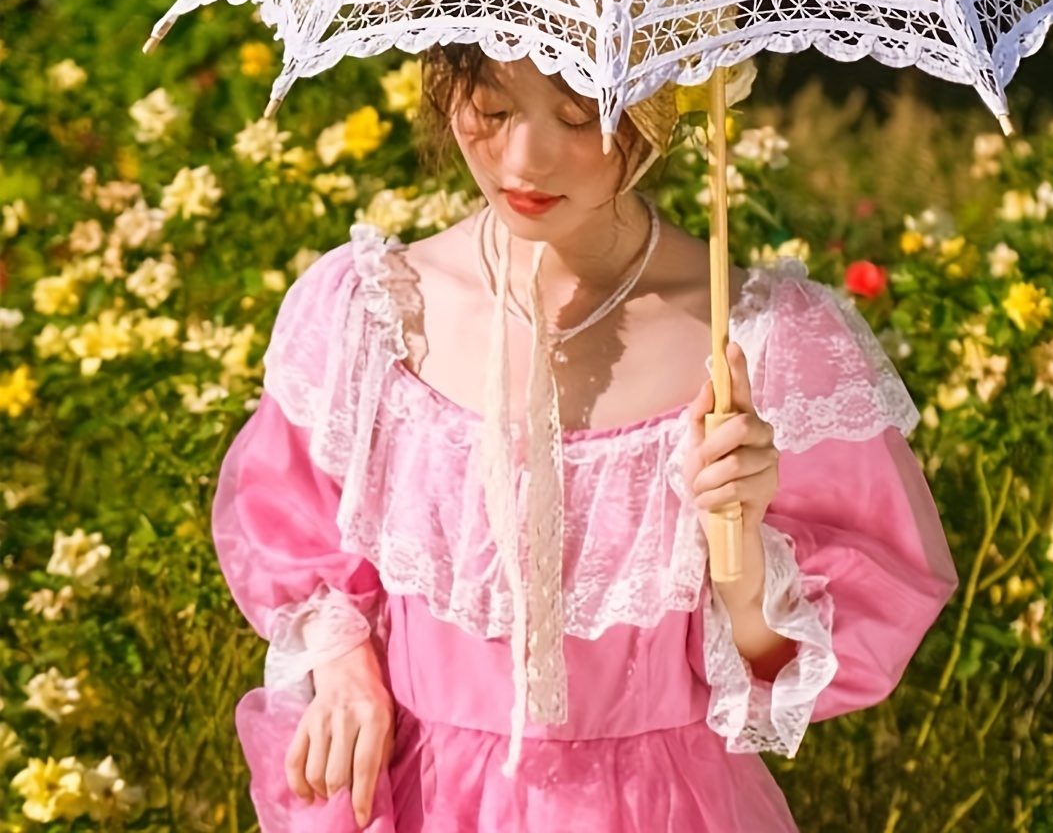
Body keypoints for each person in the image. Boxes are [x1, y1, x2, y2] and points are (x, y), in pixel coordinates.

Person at [211, 46, 959, 832]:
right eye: (491, 112)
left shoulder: (757, 345)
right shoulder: (369, 315)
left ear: (660, 111)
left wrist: (739, 557)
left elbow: (794, 669)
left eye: (579, 118)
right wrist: (344, 666)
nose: (524, 160)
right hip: (413, 800)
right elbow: (294, 534)